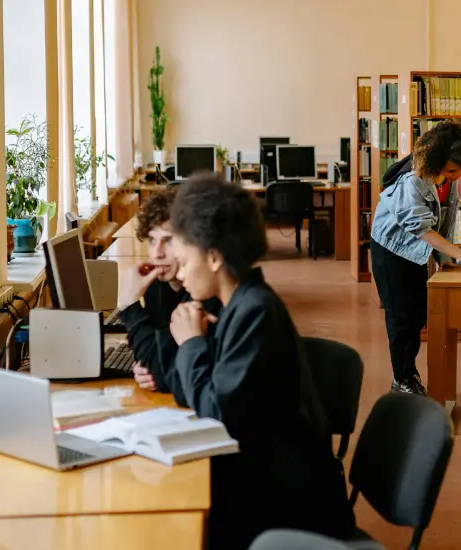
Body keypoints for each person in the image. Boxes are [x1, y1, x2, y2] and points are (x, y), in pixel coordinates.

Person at [166, 175, 354, 550]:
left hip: (284, 501)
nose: (180, 272)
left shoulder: (256, 313)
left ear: (215, 257)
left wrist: (191, 346)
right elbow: (190, 392)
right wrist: (194, 343)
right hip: (264, 476)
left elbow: (216, 418)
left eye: (184, 261)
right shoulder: (236, 304)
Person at [370, 121, 461, 394]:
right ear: (434, 161)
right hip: (391, 250)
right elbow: (420, 227)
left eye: (460, 170)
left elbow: (445, 221)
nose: (457, 175)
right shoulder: (411, 181)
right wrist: (460, 255)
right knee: (401, 316)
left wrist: (443, 257)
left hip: (419, 250)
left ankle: (407, 374)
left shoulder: (448, 177)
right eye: (451, 170)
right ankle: (402, 379)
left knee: (419, 313)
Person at [117, 188, 219, 407]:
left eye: (168, 241)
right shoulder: (158, 286)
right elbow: (159, 357)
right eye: (153, 241)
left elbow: (172, 370)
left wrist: (129, 305)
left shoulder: (205, 294)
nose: (157, 254)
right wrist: (142, 365)